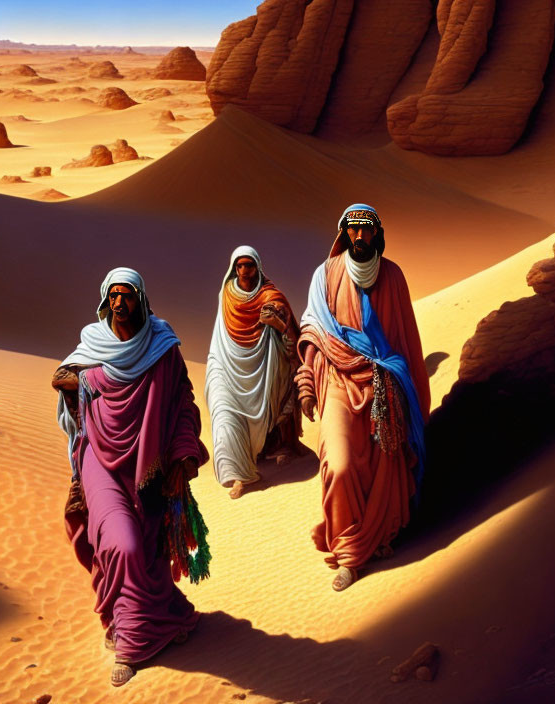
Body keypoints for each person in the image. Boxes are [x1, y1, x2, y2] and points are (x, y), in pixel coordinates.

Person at [53, 267, 211, 687]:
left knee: (148, 546)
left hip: (148, 461)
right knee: (121, 543)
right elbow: (65, 375)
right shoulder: (93, 343)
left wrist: (183, 455)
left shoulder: (162, 346)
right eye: (114, 295)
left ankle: (159, 617)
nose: (120, 302)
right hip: (99, 460)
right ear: (105, 300)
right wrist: (73, 381)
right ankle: (132, 643)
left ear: (141, 300)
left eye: (128, 295)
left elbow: (182, 402)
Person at [295, 204, 430, 591]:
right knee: (338, 464)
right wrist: (307, 380)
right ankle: (349, 553)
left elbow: (406, 337)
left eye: (365, 230)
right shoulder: (325, 275)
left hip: (382, 382)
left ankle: (379, 534)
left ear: (376, 235)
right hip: (337, 379)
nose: (358, 236)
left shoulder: (393, 276)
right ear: (343, 233)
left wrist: (404, 386)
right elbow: (313, 330)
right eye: (352, 229)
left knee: (383, 462)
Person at [205, 246, 305, 499]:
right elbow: (220, 337)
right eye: (239, 266)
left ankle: (266, 455)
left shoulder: (272, 297)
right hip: (226, 367)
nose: (243, 271)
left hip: (266, 373)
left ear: (258, 267)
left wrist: (278, 324)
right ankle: (242, 475)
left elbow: (295, 345)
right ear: (233, 268)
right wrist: (216, 365)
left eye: (248, 265)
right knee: (223, 414)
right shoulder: (226, 295)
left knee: (264, 417)